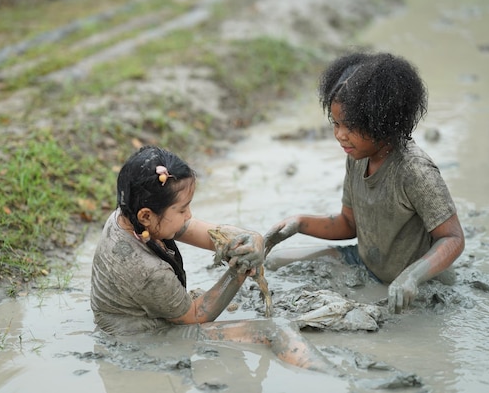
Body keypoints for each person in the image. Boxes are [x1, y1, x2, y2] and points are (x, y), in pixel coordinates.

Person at [90, 145, 334, 372]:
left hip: (138, 318)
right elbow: (195, 317)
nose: (189, 215)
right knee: (275, 331)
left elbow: (205, 232)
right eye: (183, 209)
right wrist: (240, 269)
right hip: (145, 341)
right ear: (146, 216)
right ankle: (331, 379)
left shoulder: (130, 214)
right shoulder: (145, 269)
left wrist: (250, 238)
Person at [263, 51, 465, 314]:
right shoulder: (358, 156)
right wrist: (299, 223)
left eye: (350, 126)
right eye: (335, 124)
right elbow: (348, 225)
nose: (339, 135)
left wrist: (412, 277)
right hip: (364, 261)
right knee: (277, 261)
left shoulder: (415, 172)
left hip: (417, 280)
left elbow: (453, 238)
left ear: (381, 121)